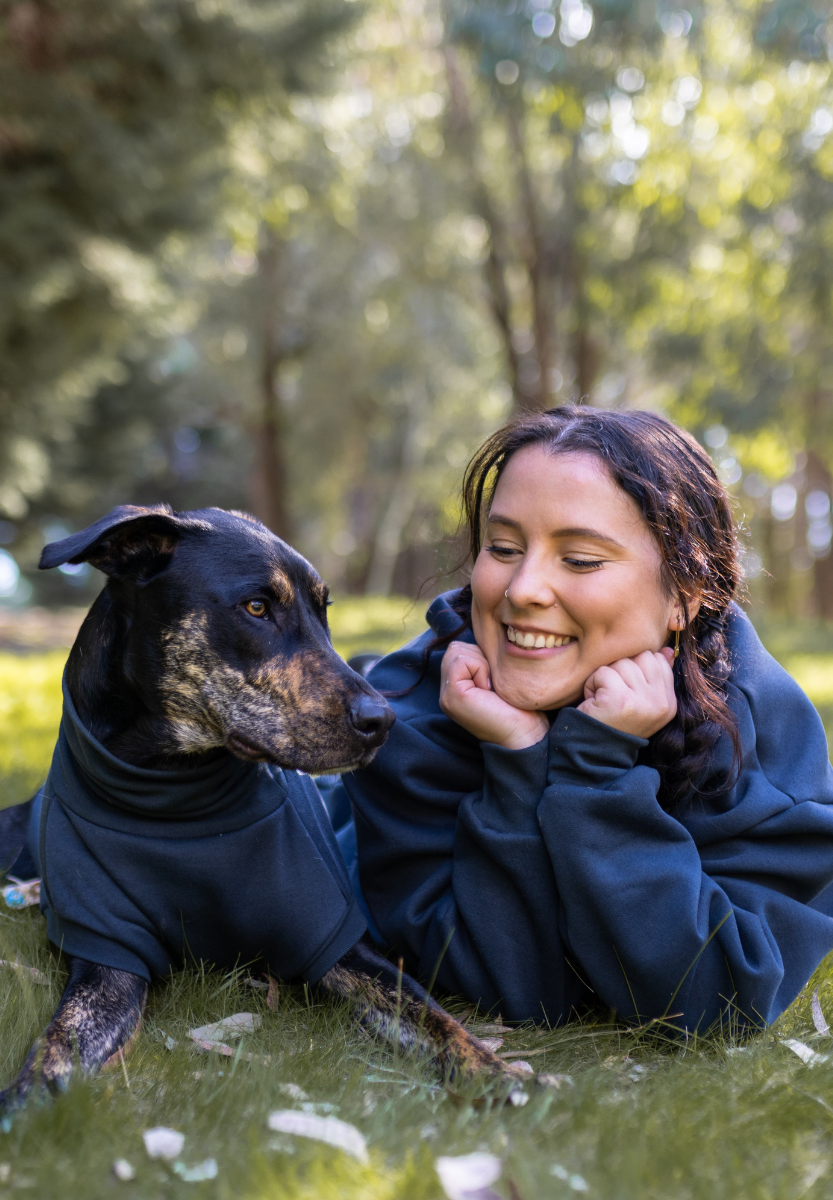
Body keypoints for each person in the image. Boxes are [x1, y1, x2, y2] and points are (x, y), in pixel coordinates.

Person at [335, 407, 833, 1034]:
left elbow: (718, 1002)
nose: (522, 589)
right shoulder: (404, 713)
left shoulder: (755, 728)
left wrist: (596, 776)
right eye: (503, 548)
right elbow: (510, 985)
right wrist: (517, 758)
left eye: (580, 559)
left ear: (684, 595)